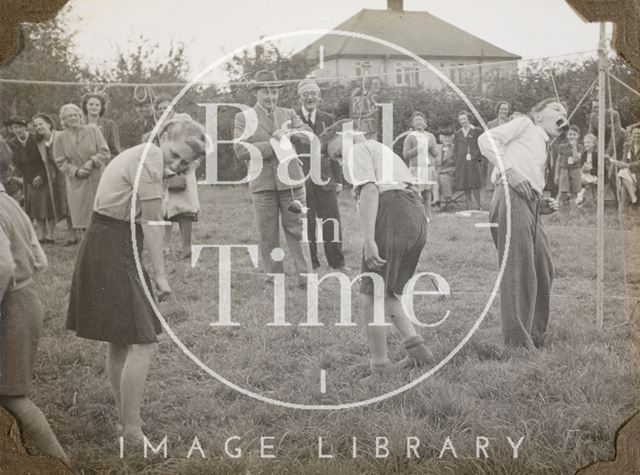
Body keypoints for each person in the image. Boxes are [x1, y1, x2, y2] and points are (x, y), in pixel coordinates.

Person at [66, 115, 205, 441]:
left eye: (184, 162)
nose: (176, 164)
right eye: (175, 154)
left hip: (112, 241)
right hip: (111, 244)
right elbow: (153, 224)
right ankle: (131, 428)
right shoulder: (150, 157)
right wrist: (160, 276)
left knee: (121, 339)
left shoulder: (149, 155)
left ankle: (125, 421)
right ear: (164, 135)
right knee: (143, 342)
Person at [325, 120, 432, 373]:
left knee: (369, 296)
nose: (342, 162)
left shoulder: (359, 150)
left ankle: (380, 366)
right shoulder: (380, 150)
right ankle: (418, 352)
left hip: (393, 212)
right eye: (337, 159)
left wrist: (369, 239)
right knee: (388, 291)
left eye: (340, 153)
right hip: (414, 213)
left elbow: (372, 191)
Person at [478, 98, 567, 350]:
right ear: (538, 115)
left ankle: (535, 335)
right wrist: (509, 171)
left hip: (529, 203)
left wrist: (541, 206)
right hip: (509, 194)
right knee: (518, 270)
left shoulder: (545, 145)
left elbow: (529, 181)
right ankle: (517, 346)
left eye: (565, 113)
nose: (563, 115)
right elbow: (485, 140)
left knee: (542, 266)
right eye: (557, 109)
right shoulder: (525, 124)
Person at [0, 156, 70, 467]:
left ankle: (61, 465)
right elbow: (40, 260)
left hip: (11, 308)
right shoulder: (11, 204)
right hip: (24, 301)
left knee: (12, 397)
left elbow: (3, 267)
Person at [233, 70, 313, 288]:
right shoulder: (243, 118)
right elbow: (240, 150)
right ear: (256, 93)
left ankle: (305, 277)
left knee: (297, 229)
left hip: (292, 182)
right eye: (266, 92)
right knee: (267, 233)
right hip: (263, 185)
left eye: (275, 92)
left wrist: (289, 135)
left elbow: (308, 135)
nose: (271, 97)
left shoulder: (289, 114)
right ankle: (273, 277)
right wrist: (275, 145)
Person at [295, 79, 347, 271]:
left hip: (326, 178)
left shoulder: (328, 118)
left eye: (313, 93)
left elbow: (336, 150)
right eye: (305, 93)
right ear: (299, 97)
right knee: (307, 222)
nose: (309, 97)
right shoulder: (293, 118)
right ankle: (312, 263)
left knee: (331, 220)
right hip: (301, 179)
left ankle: (337, 262)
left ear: (319, 97)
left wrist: (338, 179)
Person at [53, 104, 110, 242]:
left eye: (76, 114)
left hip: (96, 178)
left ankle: (102, 244)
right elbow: (60, 161)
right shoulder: (60, 137)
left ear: (80, 116)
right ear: (64, 120)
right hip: (76, 182)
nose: (73, 118)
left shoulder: (93, 130)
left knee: (98, 213)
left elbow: (105, 151)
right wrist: (76, 171)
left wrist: (91, 162)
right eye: (69, 116)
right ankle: (85, 245)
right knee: (81, 216)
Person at [6, 116, 56, 243]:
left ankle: (50, 235)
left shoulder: (36, 138)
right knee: (35, 207)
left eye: (20, 127)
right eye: (15, 128)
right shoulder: (12, 144)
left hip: (44, 175)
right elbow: (18, 165)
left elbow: (46, 159)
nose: (18, 130)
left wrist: (42, 176)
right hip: (28, 179)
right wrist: (28, 179)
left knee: (48, 205)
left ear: (26, 127)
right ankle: (41, 235)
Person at [32, 113, 75, 245]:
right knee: (62, 205)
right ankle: (70, 236)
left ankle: (76, 236)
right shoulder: (39, 142)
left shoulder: (61, 136)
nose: (39, 127)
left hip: (66, 174)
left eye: (41, 123)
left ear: (49, 124)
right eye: (36, 125)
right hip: (53, 178)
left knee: (70, 203)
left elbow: (71, 153)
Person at [402, 111, 440, 215]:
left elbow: (436, 153)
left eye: (420, 119)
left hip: (428, 168)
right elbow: (405, 154)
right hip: (416, 169)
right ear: (412, 124)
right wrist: (418, 148)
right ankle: (416, 216)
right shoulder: (410, 136)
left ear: (425, 122)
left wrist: (430, 146)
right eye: (415, 120)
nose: (418, 122)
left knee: (427, 194)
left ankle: (427, 216)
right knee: (415, 194)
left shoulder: (430, 136)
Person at [453, 111, 483, 210]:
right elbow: (456, 149)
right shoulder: (458, 133)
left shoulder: (477, 130)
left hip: (474, 162)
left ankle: (478, 206)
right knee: (466, 184)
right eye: (460, 120)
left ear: (468, 119)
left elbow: (481, 146)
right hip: (462, 163)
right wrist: (457, 161)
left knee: (475, 184)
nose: (462, 121)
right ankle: (469, 206)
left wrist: (475, 157)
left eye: (464, 119)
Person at [82, 92, 122, 160]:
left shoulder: (109, 125)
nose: (94, 107)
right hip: (82, 165)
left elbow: (115, 152)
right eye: (91, 104)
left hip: (104, 164)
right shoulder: (80, 125)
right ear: (86, 106)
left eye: (97, 105)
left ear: (101, 107)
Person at [486, 102, 512, 191]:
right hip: (494, 156)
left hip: (507, 155)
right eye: (502, 109)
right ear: (498, 110)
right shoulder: (491, 124)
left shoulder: (512, 123)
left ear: (508, 111)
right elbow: (486, 140)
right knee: (494, 180)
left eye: (506, 109)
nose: (503, 111)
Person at [611, 126, 640, 205]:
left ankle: (632, 198)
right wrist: (620, 163)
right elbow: (624, 158)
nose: (637, 136)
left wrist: (628, 165)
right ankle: (632, 198)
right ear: (632, 135)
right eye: (635, 134)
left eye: (638, 134)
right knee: (622, 172)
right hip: (629, 171)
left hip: (638, 172)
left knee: (622, 175)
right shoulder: (627, 145)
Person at [555, 125, 583, 204]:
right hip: (564, 170)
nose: (572, 136)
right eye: (570, 134)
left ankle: (574, 208)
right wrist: (556, 174)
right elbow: (558, 161)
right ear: (567, 136)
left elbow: (576, 159)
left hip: (575, 170)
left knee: (576, 191)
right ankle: (557, 205)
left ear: (578, 136)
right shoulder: (562, 147)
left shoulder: (580, 147)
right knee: (562, 190)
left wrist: (574, 146)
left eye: (574, 135)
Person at [436, 130, 457, 212]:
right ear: (441, 138)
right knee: (435, 179)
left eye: (449, 137)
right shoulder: (437, 148)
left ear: (452, 138)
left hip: (451, 174)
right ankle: (438, 201)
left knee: (443, 178)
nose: (447, 139)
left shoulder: (454, 148)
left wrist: (446, 171)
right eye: (445, 137)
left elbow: (456, 164)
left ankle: (444, 203)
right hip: (438, 172)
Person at [578, 133, 600, 204]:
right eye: (585, 142)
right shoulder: (584, 154)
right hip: (585, 174)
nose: (586, 144)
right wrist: (582, 168)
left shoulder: (597, 155)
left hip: (594, 175)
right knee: (577, 178)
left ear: (593, 144)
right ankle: (581, 197)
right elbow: (581, 166)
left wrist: (590, 170)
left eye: (588, 142)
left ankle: (581, 198)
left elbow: (600, 169)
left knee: (583, 181)